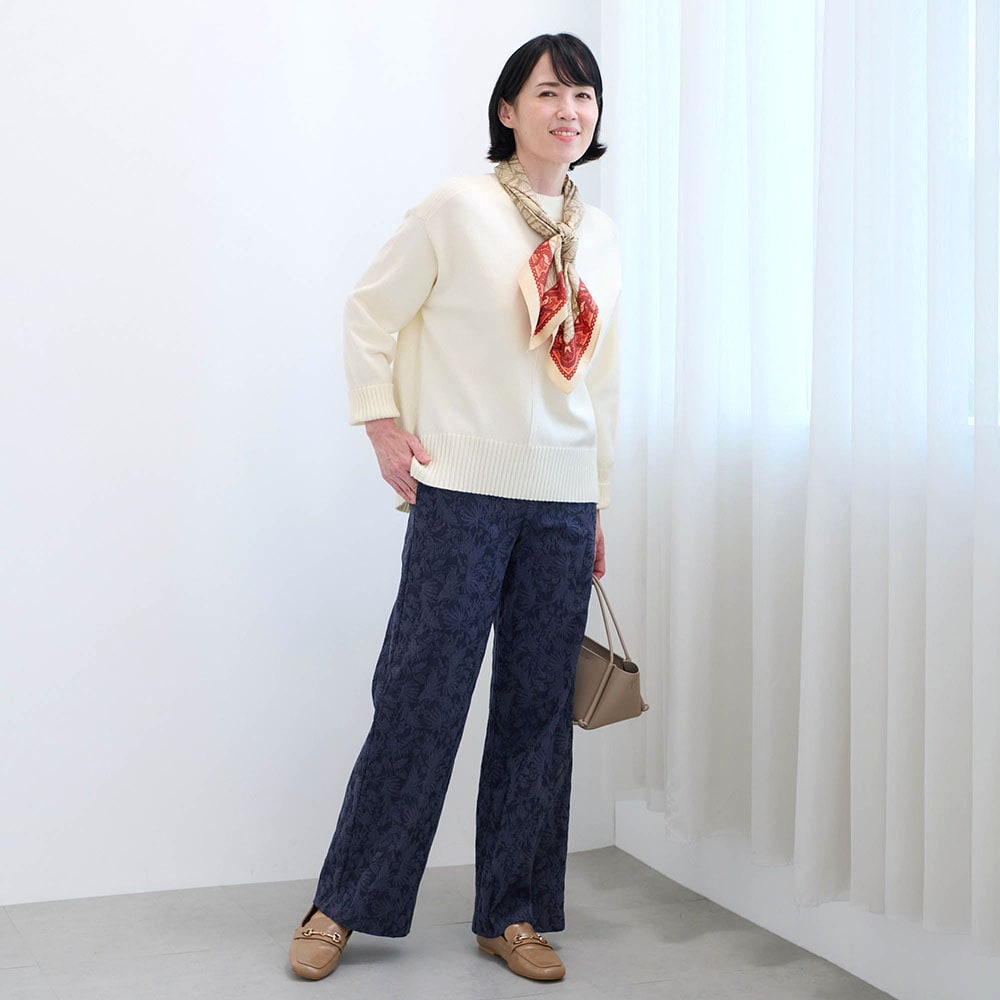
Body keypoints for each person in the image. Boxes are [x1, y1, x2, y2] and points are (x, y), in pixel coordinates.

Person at [288, 32, 621, 984]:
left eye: (583, 95)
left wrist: (597, 499)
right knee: (420, 697)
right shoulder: (457, 208)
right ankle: (341, 904)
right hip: (463, 488)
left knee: (536, 712)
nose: (568, 110)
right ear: (508, 111)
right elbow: (370, 311)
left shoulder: (601, 235)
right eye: (548, 92)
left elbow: (603, 382)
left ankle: (512, 912)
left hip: (562, 497)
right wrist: (381, 424)